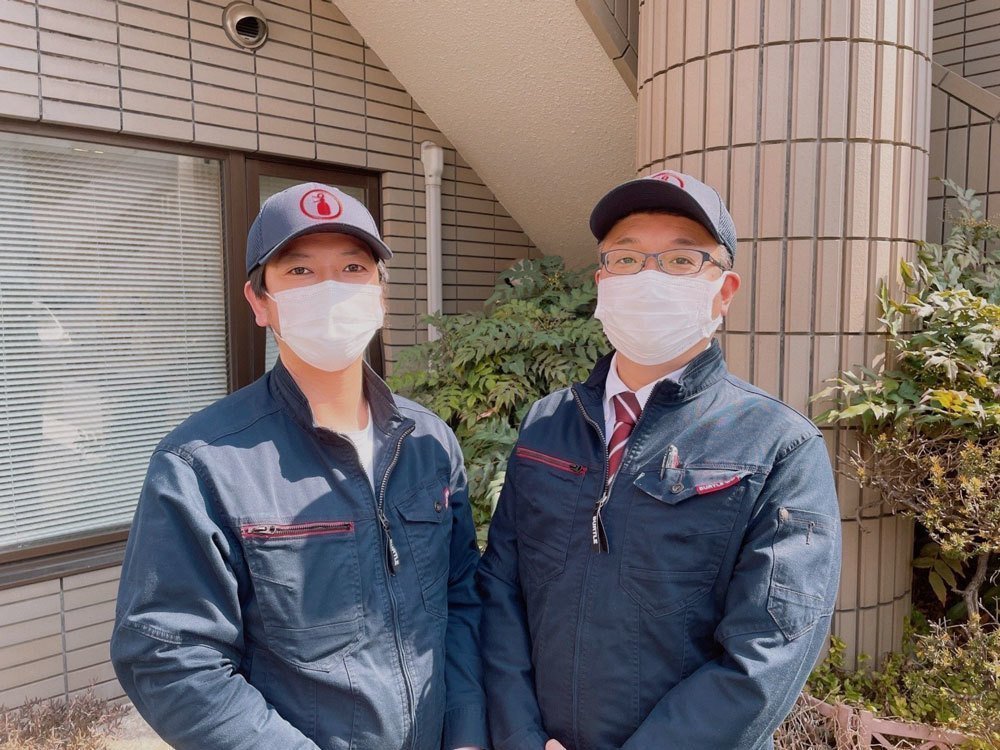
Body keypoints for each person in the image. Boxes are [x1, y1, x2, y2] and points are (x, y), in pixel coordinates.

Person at [112, 183, 487, 750]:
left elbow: (461, 599)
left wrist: (466, 732)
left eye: (354, 268)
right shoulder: (201, 464)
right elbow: (170, 657)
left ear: (380, 295)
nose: (331, 290)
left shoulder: (429, 442)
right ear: (259, 302)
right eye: (301, 271)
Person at [477, 170, 842, 750]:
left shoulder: (778, 445)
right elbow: (500, 588)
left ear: (724, 291)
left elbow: (768, 649)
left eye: (680, 260)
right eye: (626, 259)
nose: (649, 277)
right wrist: (520, 736)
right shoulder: (547, 423)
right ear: (602, 282)